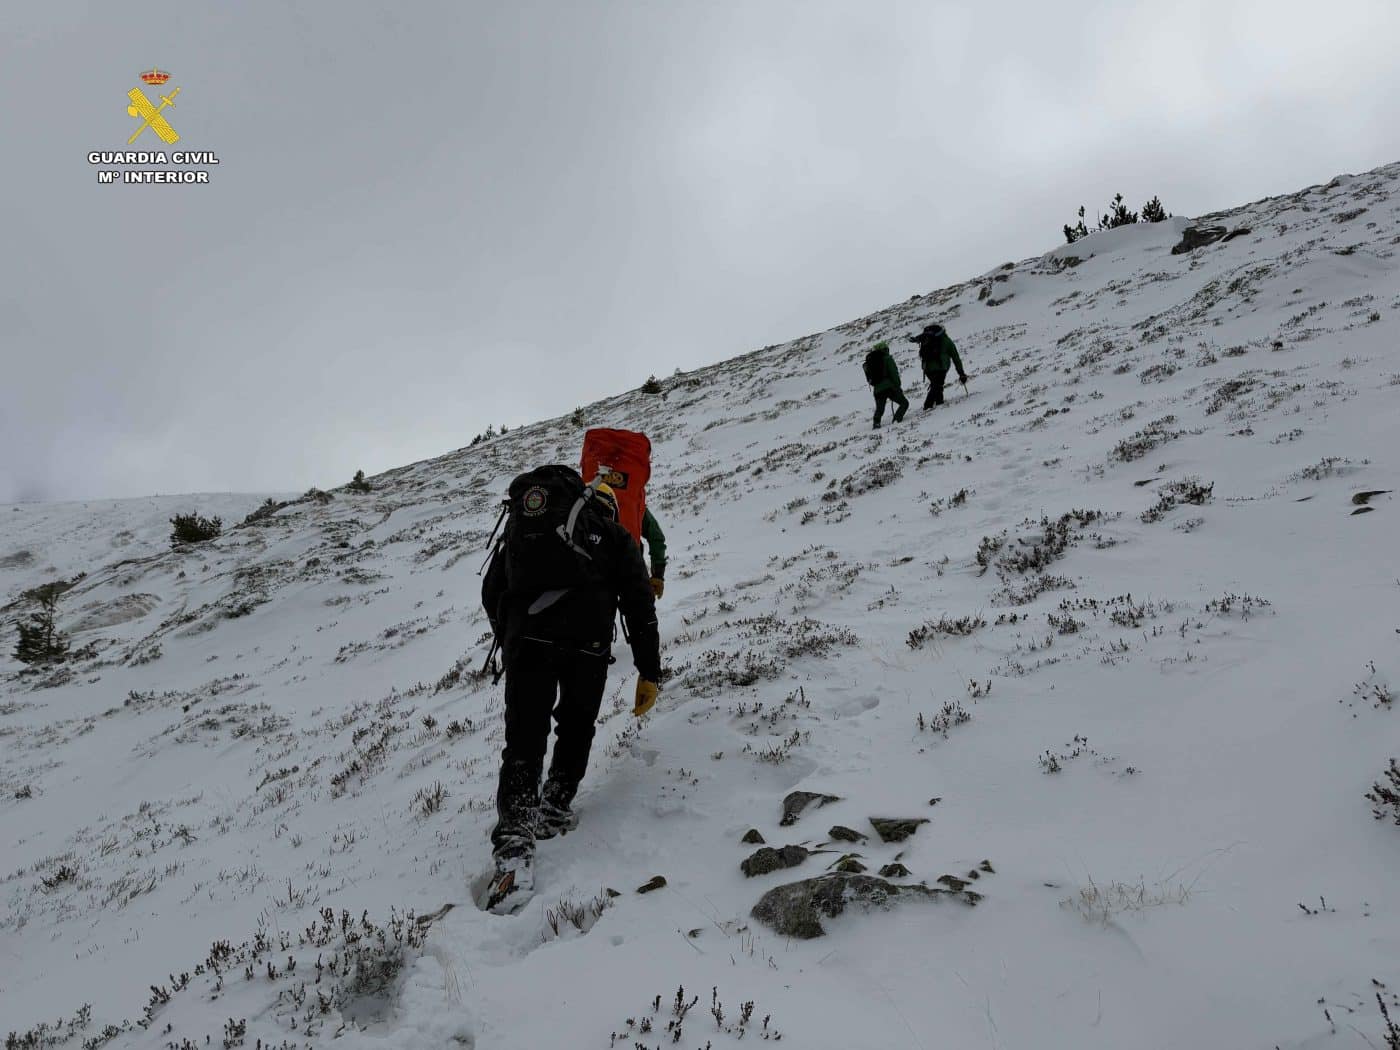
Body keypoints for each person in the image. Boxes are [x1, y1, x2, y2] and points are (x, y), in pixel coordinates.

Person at [482, 475, 661, 911]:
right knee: (576, 727)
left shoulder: (526, 531)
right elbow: (640, 605)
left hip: (528, 643)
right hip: (588, 647)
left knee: (524, 739)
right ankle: (554, 807)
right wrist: (648, 671)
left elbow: (492, 589)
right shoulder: (618, 537)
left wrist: (510, 637)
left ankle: (514, 844)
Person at [907, 323, 968, 409]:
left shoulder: (926, 339)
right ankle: (927, 405)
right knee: (937, 385)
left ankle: (940, 403)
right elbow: (956, 358)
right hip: (940, 367)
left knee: (936, 385)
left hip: (927, 368)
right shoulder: (946, 341)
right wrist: (961, 373)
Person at [862, 340, 908, 429]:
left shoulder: (869, 362)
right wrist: (898, 386)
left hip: (877, 390)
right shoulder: (887, 358)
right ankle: (896, 420)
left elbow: (870, 379)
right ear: (885, 349)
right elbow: (894, 373)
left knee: (880, 409)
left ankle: (876, 423)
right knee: (904, 403)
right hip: (889, 387)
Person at [641, 506, 667, 598]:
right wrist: (658, 574)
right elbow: (656, 535)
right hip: (632, 571)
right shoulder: (633, 495)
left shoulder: (594, 497)